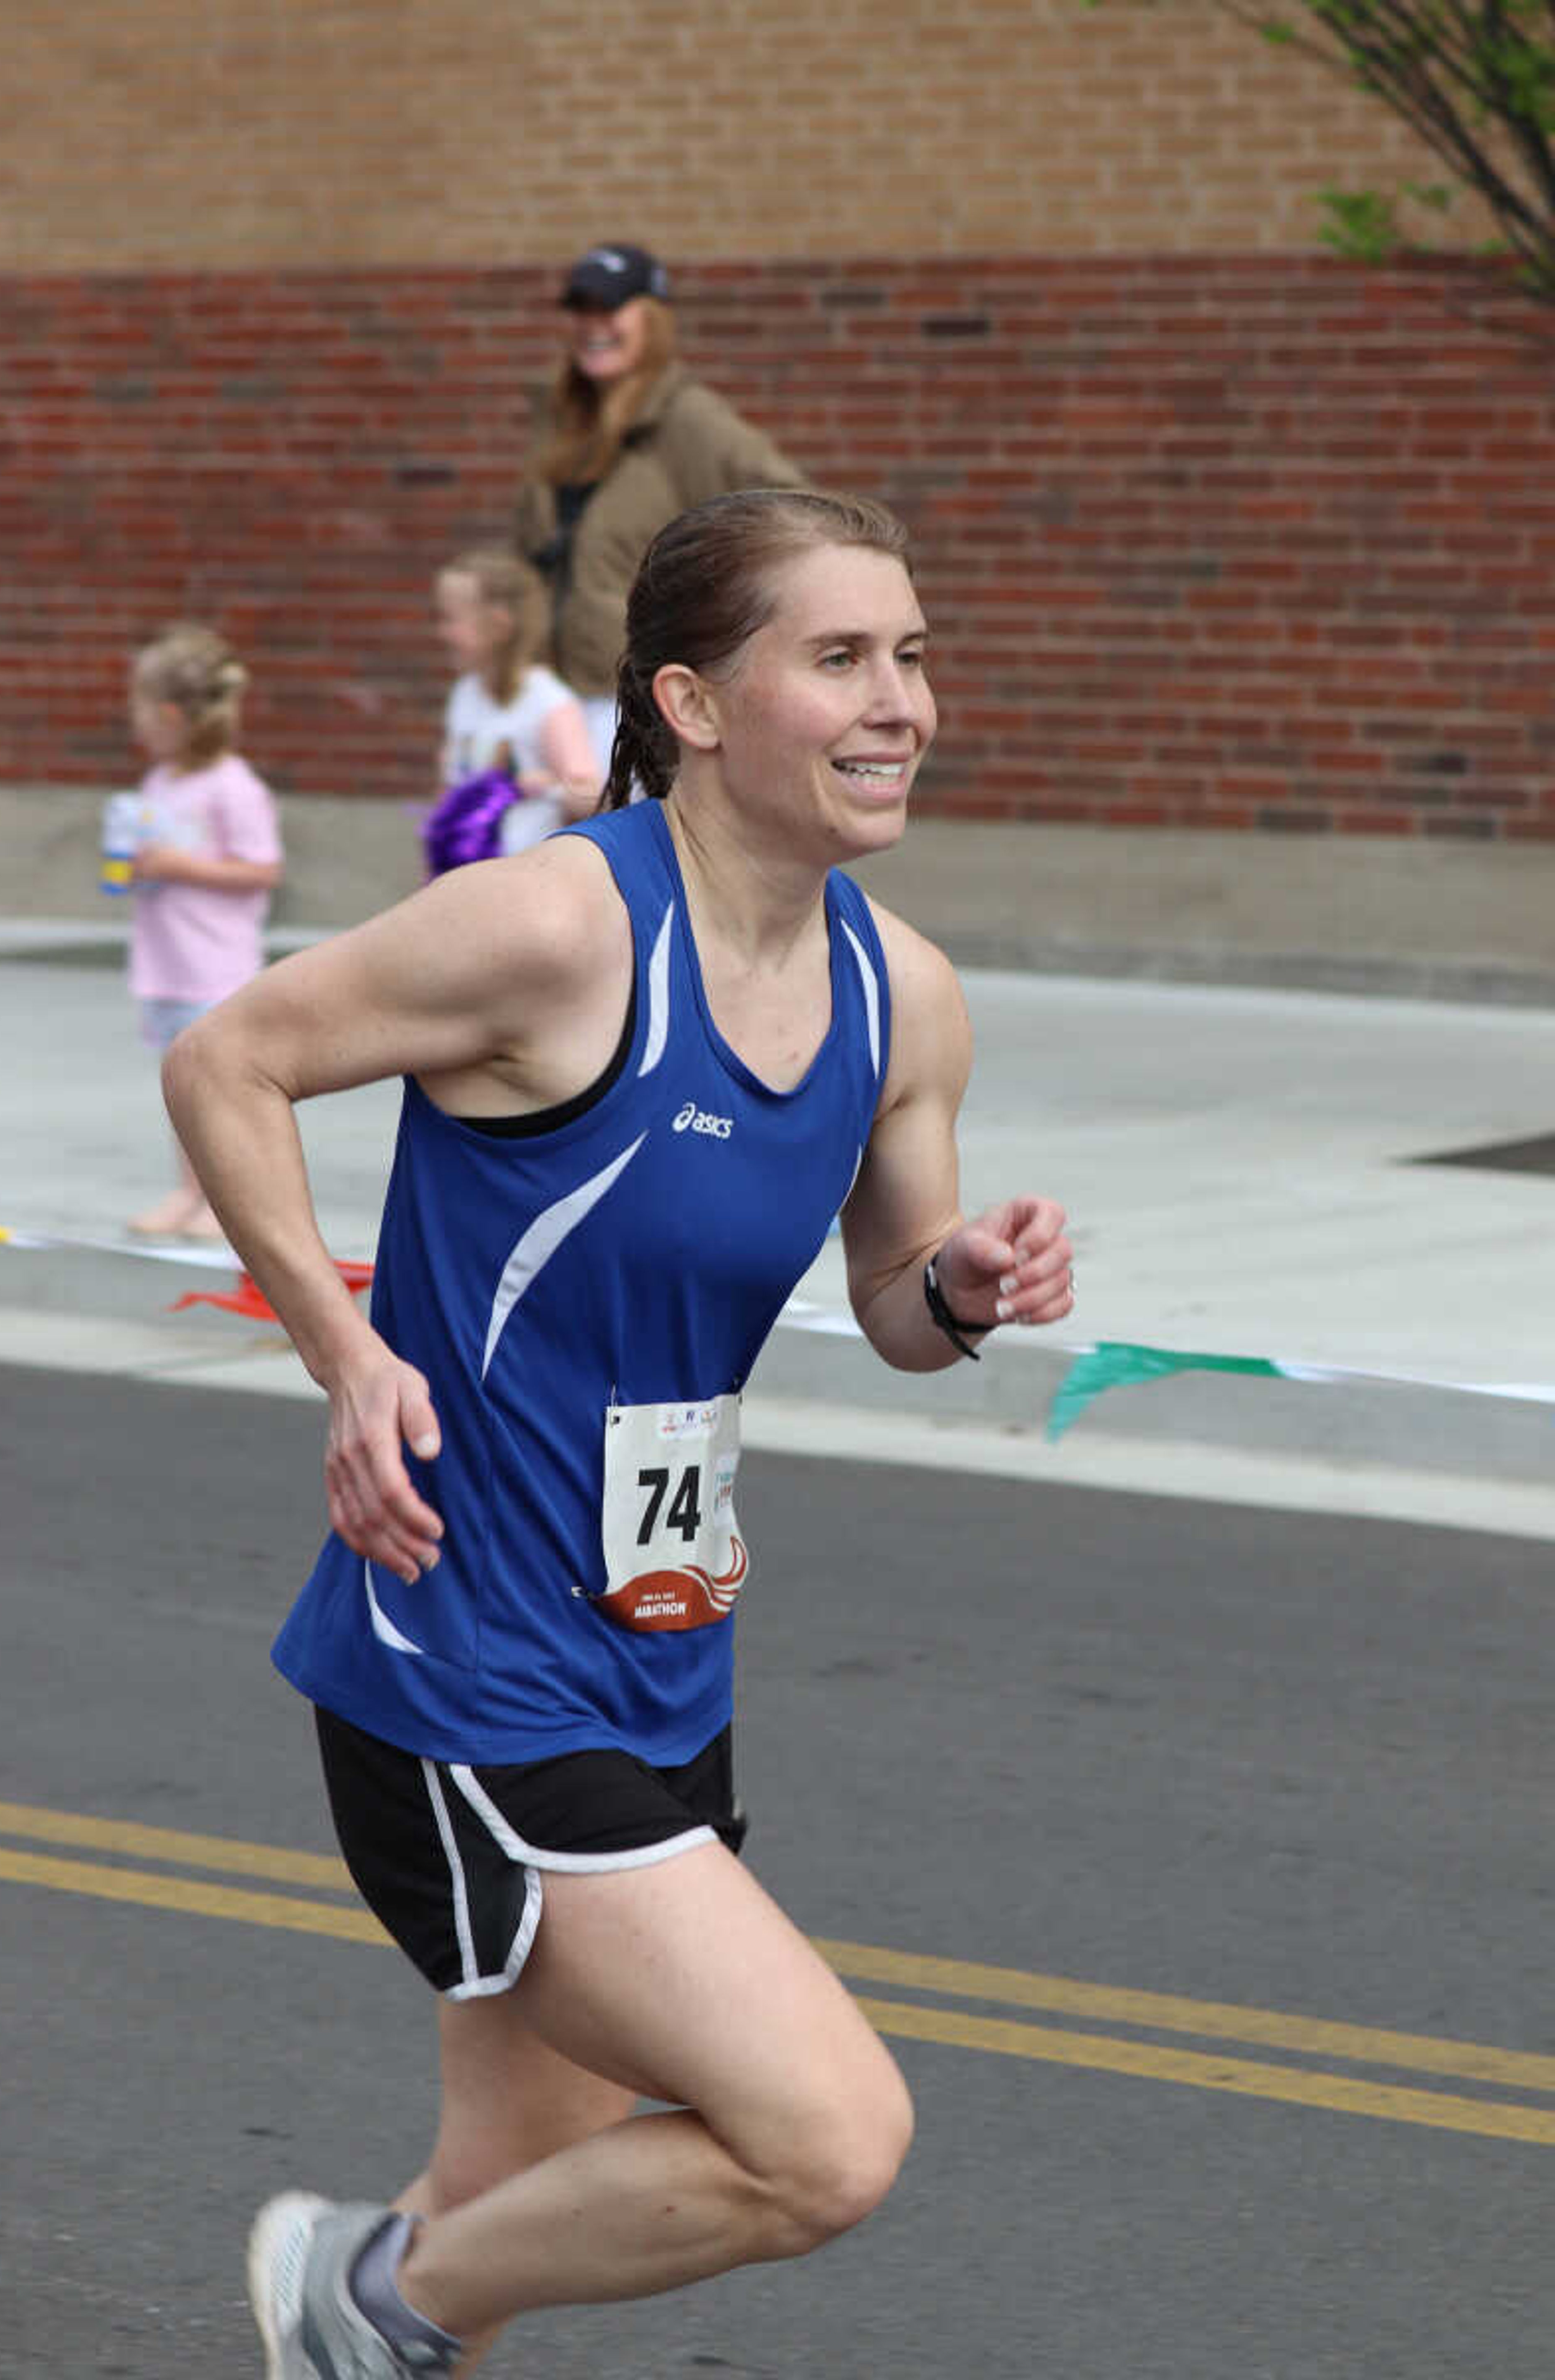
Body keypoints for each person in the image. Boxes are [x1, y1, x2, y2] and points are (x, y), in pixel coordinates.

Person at [162, 487, 1074, 2379]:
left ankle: (383, 2311)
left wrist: (965, 1284)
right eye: (839, 659)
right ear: (699, 700)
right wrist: (343, 1350)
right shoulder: (561, 929)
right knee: (825, 2136)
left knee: (511, 2191)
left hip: (663, 1643)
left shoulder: (899, 995)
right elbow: (225, 1056)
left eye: (911, 653)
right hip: (465, 1659)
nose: (900, 699)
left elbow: (899, 1302)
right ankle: (363, 2290)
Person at [514, 240, 807, 777]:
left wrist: (713, 623)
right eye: (581, 309)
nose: (592, 324)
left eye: (610, 307)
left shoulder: (688, 420)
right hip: (547, 692)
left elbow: (795, 515)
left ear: (653, 317)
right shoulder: (560, 419)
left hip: (631, 702)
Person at [121, 624, 284, 1240]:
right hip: (164, 963)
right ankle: (190, 1191)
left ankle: (225, 1202)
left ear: (169, 714)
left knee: (218, 1094)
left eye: (138, 707)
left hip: (213, 967)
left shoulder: (234, 788)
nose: (132, 722)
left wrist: (175, 865)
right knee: (180, 1088)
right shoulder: (160, 783)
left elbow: (262, 868)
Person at [427, 544, 601, 871]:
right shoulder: (465, 694)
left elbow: (592, 797)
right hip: (463, 877)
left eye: (451, 620)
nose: (443, 633)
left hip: (525, 880)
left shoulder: (549, 702)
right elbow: (450, 792)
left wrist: (546, 787)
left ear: (499, 626)